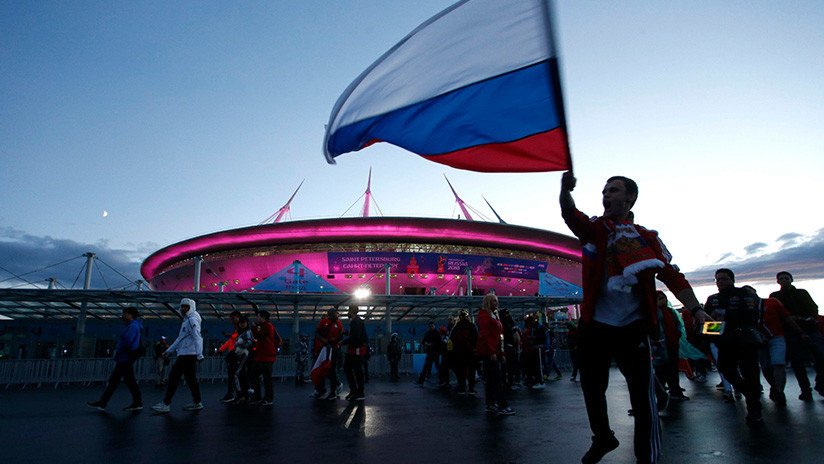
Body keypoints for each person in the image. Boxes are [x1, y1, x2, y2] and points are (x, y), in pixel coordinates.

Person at [559, 172, 705, 464]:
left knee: (642, 398)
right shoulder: (595, 229)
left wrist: (696, 308)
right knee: (592, 388)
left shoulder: (647, 238)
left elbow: (672, 276)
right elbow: (569, 214)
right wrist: (565, 190)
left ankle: (646, 458)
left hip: (633, 328)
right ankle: (603, 437)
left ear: (630, 198)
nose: (606, 195)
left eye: (613, 190)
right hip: (595, 325)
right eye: (604, 191)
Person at [704, 269, 763, 423]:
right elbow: (707, 322)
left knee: (751, 374)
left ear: (732, 279)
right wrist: (713, 336)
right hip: (724, 343)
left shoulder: (744, 294)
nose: (720, 282)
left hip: (745, 341)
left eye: (723, 278)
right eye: (717, 279)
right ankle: (747, 392)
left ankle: (754, 409)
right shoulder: (712, 299)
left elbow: (752, 316)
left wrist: (728, 321)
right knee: (726, 370)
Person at [743, 285, 808, 405]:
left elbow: (787, 318)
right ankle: (774, 386)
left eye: (749, 291)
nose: (748, 294)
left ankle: (779, 392)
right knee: (766, 367)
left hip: (777, 337)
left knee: (778, 364)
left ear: (755, 291)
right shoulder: (744, 308)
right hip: (759, 341)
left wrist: (800, 332)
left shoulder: (772, 302)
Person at [769, 271, 824, 401]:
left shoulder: (802, 292)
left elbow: (813, 307)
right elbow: (776, 313)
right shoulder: (775, 296)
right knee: (797, 362)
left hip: (810, 328)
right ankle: (805, 390)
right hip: (791, 332)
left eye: (786, 278)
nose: (784, 280)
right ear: (777, 281)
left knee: (821, 356)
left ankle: (820, 384)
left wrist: (803, 317)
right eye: (781, 278)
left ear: (791, 279)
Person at [151, 298, 205, 413]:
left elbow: (198, 337)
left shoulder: (191, 320)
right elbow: (180, 339)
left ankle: (166, 403)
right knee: (191, 380)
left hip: (187, 355)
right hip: (187, 354)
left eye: (186, 307)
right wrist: (168, 351)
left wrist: (200, 354)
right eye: (182, 306)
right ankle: (197, 402)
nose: (183, 309)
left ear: (191, 308)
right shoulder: (187, 320)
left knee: (174, 377)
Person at [87, 306, 143, 411]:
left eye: (124, 314)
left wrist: (119, 349)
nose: (123, 316)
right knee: (126, 380)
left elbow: (127, 341)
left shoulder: (132, 327)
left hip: (125, 357)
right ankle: (136, 402)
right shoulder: (133, 326)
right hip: (125, 357)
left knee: (118, 381)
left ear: (130, 315)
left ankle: (103, 403)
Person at [477, 294, 513, 415]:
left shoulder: (493, 315)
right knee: (496, 379)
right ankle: (502, 405)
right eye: (493, 301)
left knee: (491, 379)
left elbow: (499, 336)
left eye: (496, 300)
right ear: (488, 302)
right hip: (490, 352)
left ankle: (491, 404)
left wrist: (501, 352)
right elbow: (486, 335)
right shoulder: (485, 316)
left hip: (493, 351)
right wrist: (492, 351)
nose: (496, 303)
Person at [249, 310, 281, 406]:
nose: (257, 318)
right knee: (257, 376)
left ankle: (267, 398)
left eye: (258, 316)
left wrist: (255, 327)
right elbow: (257, 335)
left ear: (263, 317)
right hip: (263, 356)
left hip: (266, 356)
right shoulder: (264, 326)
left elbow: (260, 335)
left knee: (266, 378)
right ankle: (260, 397)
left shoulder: (268, 326)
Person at [312, 307, 344, 400]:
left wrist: (333, 340)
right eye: (334, 314)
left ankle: (333, 392)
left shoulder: (339, 323)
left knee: (332, 370)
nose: (336, 315)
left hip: (334, 349)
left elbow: (341, 336)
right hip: (324, 349)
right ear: (330, 315)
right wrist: (323, 340)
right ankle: (321, 390)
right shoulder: (324, 322)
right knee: (323, 369)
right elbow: (316, 333)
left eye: (336, 314)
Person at [449, 309, 478, 395]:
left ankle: (462, 388)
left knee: (461, 370)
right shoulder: (472, 326)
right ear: (467, 316)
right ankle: (471, 388)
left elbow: (451, 340)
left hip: (459, 353)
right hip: (470, 352)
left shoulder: (456, 327)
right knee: (471, 370)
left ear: (460, 317)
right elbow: (476, 338)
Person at [342, 304, 368, 401]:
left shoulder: (355, 321)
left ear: (351, 311)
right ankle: (355, 391)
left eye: (349, 310)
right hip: (354, 348)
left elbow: (355, 336)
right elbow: (355, 334)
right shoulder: (356, 321)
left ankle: (359, 392)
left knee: (356, 370)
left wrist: (342, 342)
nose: (348, 312)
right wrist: (346, 333)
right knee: (349, 368)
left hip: (356, 349)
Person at [228, 315, 254, 404]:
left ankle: (241, 394)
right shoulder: (241, 332)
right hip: (240, 355)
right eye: (240, 323)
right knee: (240, 374)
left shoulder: (247, 332)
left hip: (244, 355)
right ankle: (242, 394)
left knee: (237, 374)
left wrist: (240, 345)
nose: (242, 324)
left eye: (243, 322)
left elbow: (250, 342)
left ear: (247, 323)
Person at [218, 310, 242, 402]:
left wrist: (230, 336)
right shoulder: (236, 329)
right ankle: (233, 394)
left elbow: (239, 338)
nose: (232, 320)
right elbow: (231, 341)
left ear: (238, 317)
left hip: (237, 354)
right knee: (232, 374)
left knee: (234, 374)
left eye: (233, 318)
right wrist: (221, 349)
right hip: (233, 353)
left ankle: (235, 394)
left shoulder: (241, 328)